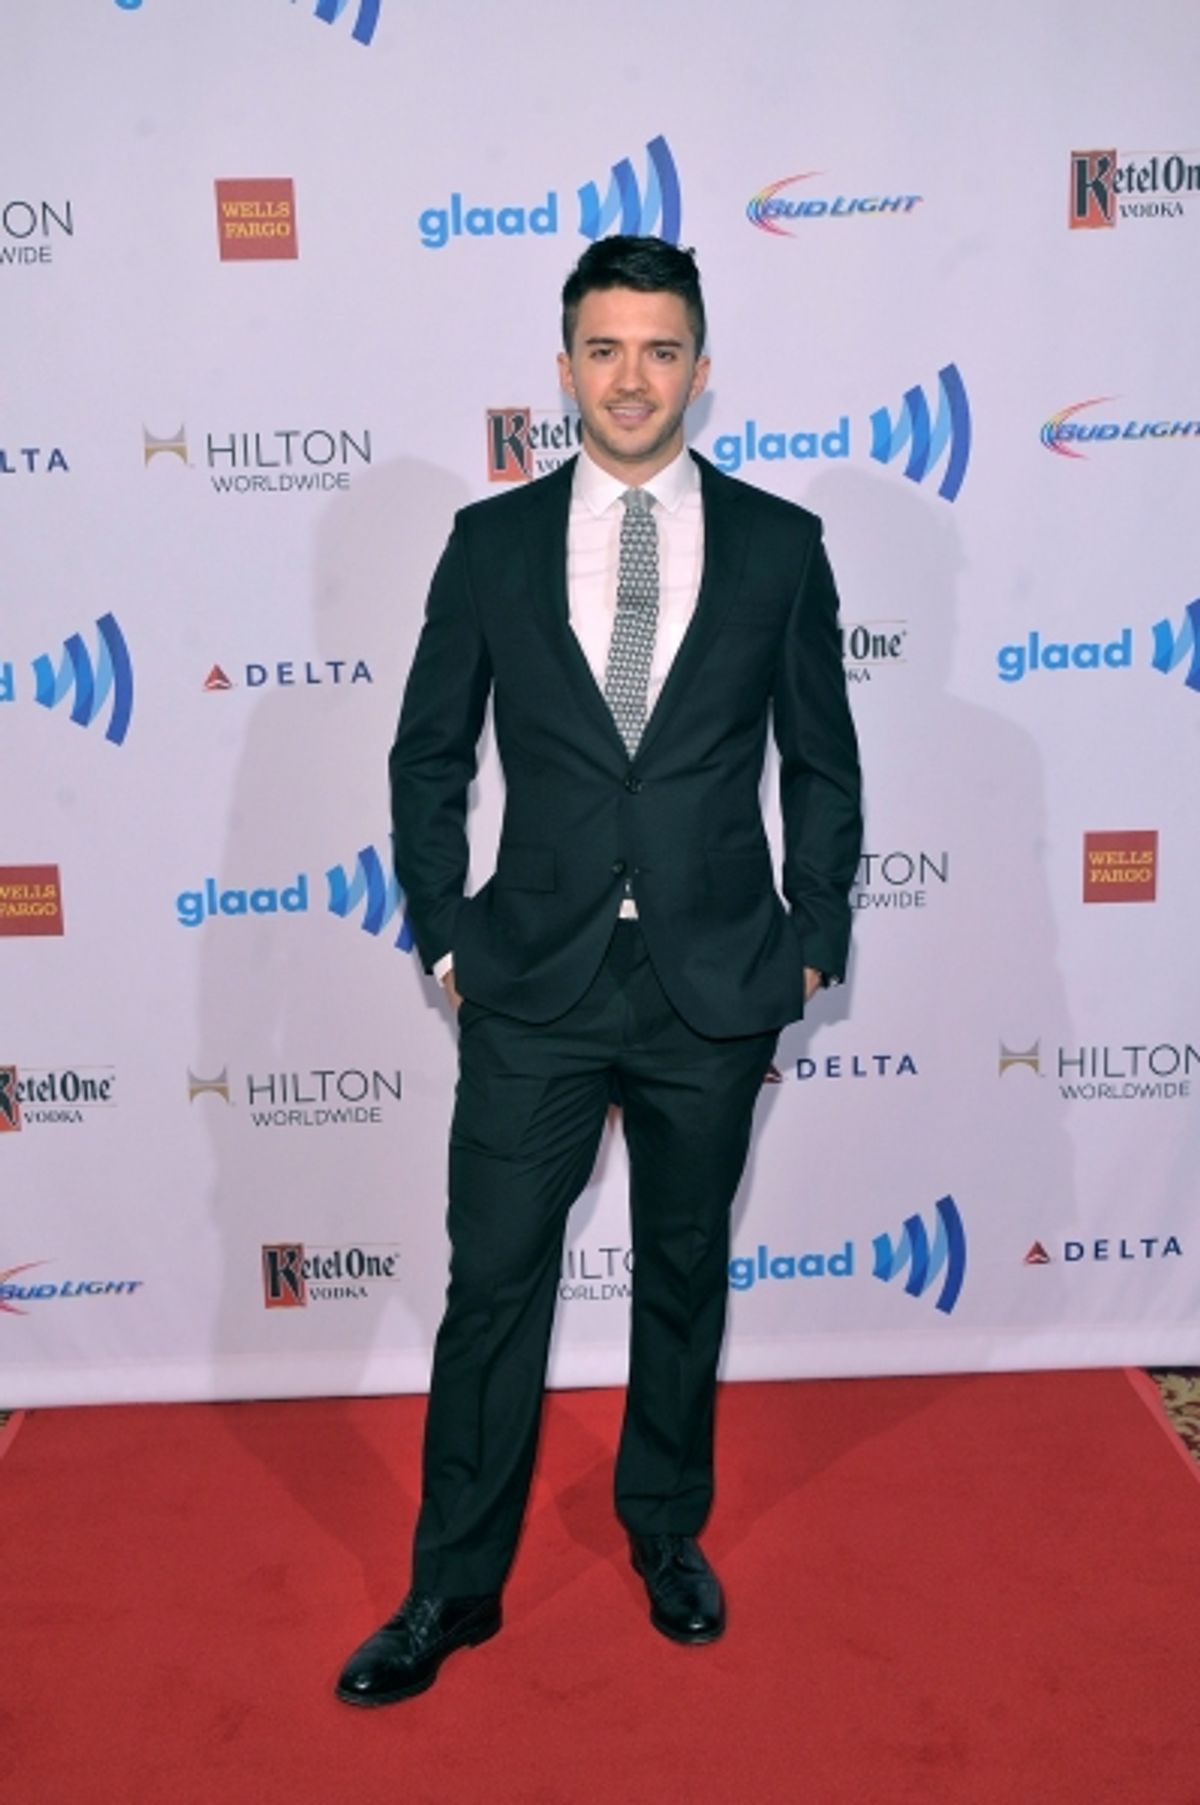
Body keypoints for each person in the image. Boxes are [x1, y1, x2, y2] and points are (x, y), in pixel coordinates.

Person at [336, 235, 862, 1706]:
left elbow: (824, 763)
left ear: (702, 369)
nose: (633, 378)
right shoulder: (489, 545)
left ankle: (665, 1530)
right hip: (533, 982)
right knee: (493, 1284)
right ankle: (451, 1583)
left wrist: (815, 931)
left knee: (685, 1273)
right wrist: (443, 930)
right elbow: (428, 753)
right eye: (606, 349)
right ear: (563, 368)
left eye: (661, 349)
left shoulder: (781, 546)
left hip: (713, 980)